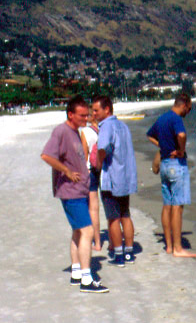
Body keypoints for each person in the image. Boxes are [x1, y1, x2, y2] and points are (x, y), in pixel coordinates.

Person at [41, 96, 108, 293]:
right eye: (82, 116)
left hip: (79, 190)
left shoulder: (76, 132)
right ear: (70, 114)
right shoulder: (61, 131)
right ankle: (86, 279)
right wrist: (67, 171)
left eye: (87, 115)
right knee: (87, 231)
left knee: (78, 231)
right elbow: (46, 155)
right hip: (70, 192)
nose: (86, 119)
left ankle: (76, 272)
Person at [147, 93, 196, 258]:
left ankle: (168, 246)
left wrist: (162, 145)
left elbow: (149, 135)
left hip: (164, 164)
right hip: (176, 164)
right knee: (177, 206)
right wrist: (181, 150)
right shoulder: (176, 118)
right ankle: (177, 248)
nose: (188, 112)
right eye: (188, 109)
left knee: (167, 204)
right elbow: (181, 135)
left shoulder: (162, 118)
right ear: (183, 105)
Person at [91, 95, 138, 267]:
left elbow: (102, 148)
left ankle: (119, 255)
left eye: (96, 110)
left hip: (111, 179)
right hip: (125, 177)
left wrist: (98, 164)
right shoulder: (123, 126)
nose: (94, 114)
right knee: (125, 215)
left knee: (113, 218)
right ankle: (129, 252)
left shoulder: (106, 126)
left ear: (107, 109)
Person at [79, 109, 103, 251]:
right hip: (104, 169)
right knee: (108, 206)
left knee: (93, 208)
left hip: (91, 170)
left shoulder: (85, 132)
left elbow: (84, 155)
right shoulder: (103, 129)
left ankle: (97, 242)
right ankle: (114, 241)